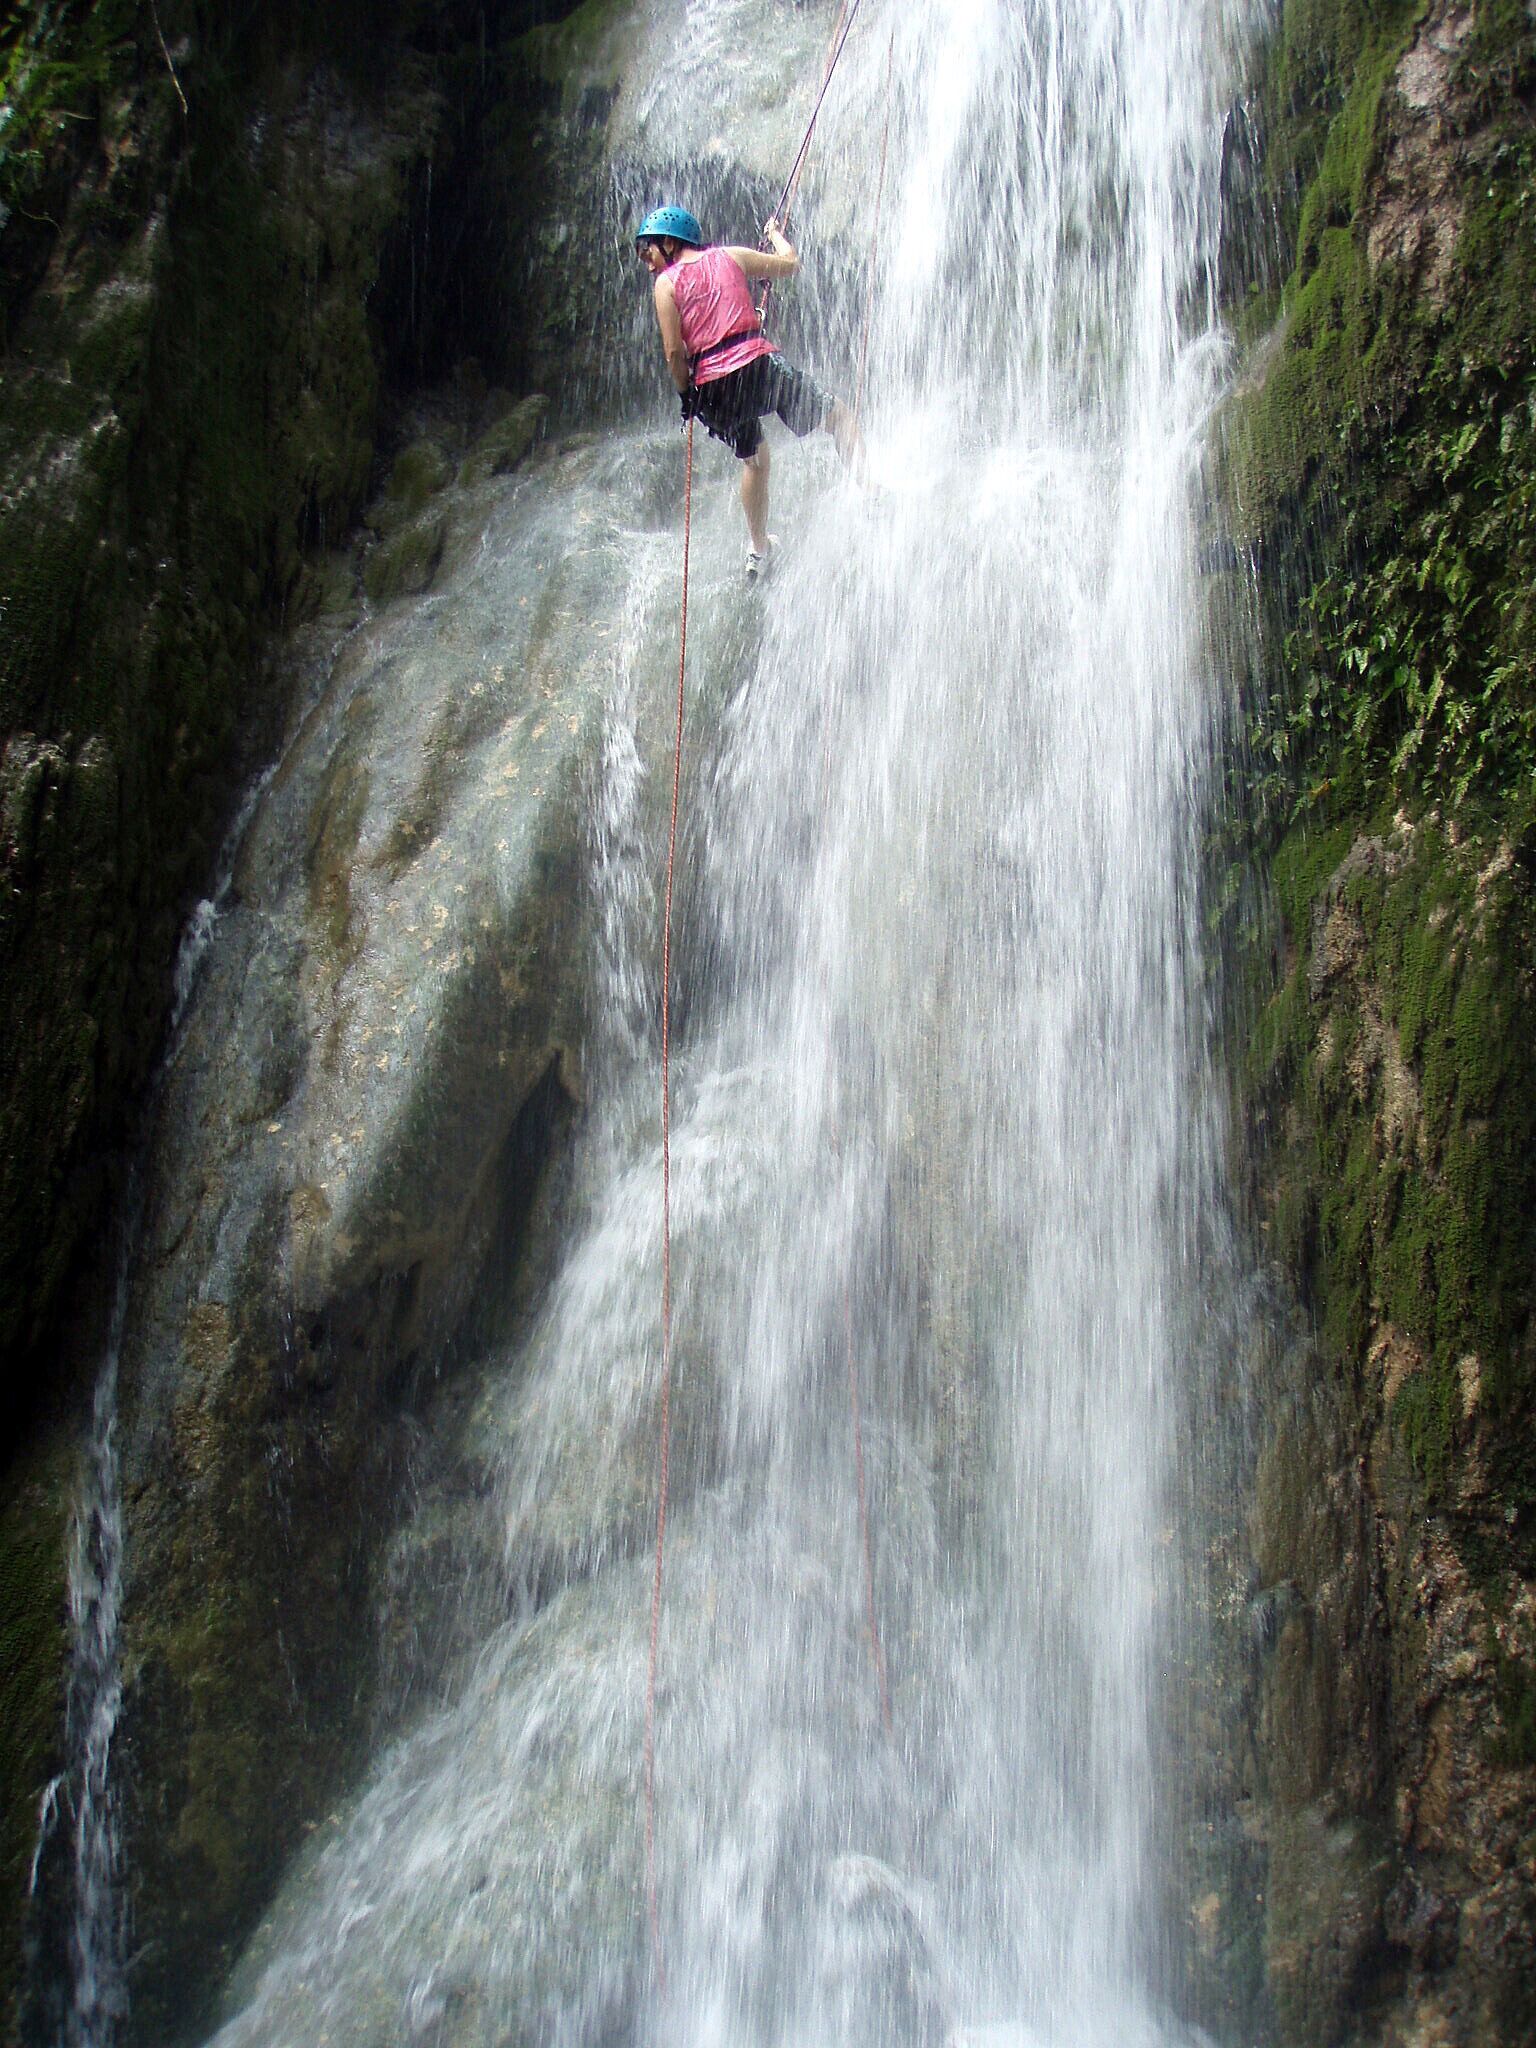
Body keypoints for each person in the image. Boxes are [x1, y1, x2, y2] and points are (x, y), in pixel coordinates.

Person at [635, 204, 861, 581]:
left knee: (754, 459)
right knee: (837, 415)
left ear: (670, 243)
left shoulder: (666, 284)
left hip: (714, 388)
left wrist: (686, 395)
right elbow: (790, 263)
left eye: (647, 251)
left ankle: (758, 549)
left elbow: (674, 352)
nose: (647, 263)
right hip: (755, 367)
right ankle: (869, 490)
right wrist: (774, 234)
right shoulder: (731, 256)